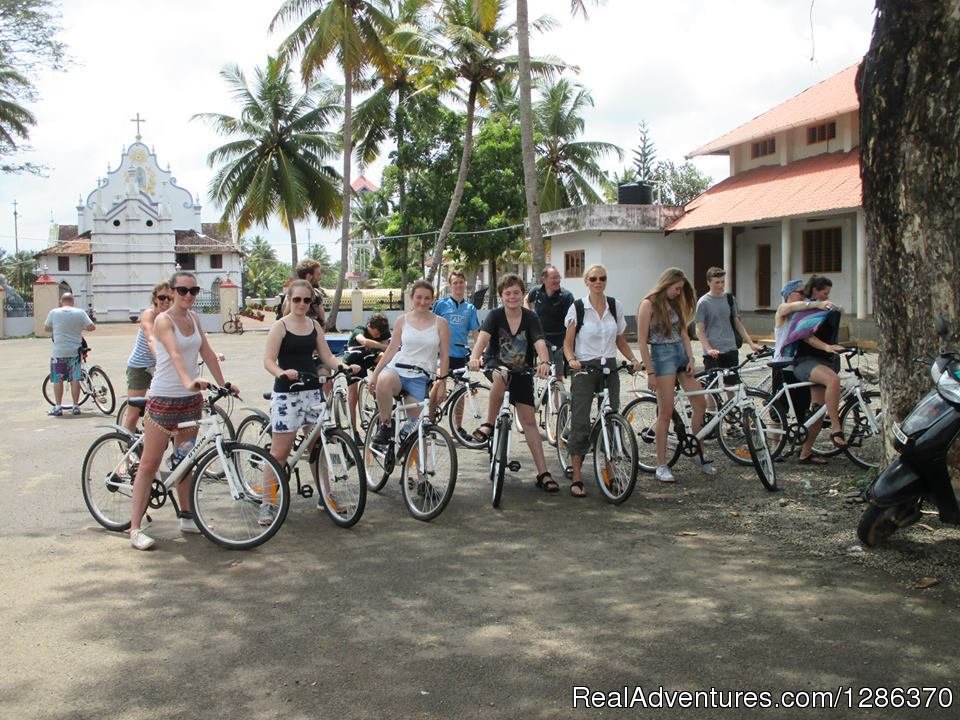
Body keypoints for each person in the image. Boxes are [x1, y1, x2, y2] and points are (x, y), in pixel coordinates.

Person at [128, 271, 233, 551]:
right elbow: (174, 353)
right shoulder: (164, 320)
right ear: (172, 292)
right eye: (183, 290)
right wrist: (188, 381)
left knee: (184, 459)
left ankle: (187, 515)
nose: (189, 295)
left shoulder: (195, 318)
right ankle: (135, 527)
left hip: (190, 402)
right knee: (150, 463)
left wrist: (224, 385)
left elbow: (207, 353)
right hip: (164, 398)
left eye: (194, 290)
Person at [263, 279, 357, 521]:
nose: (302, 304)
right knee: (279, 453)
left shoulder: (314, 326)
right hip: (287, 394)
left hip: (312, 392)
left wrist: (344, 366)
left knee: (319, 447)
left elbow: (326, 356)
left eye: (307, 300)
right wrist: (281, 373)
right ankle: (268, 502)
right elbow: (269, 361)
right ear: (288, 300)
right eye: (297, 299)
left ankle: (326, 495)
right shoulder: (280, 327)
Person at [468, 274, 556, 493]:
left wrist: (544, 361)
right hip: (495, 365)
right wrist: (474, 357)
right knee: (501, 374)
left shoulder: (530, 317)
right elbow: (482, 340)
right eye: (507, 293)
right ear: (501, 296)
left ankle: (543, 473)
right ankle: (489, 424)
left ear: (522, 294)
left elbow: (539, 342)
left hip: (522, 370)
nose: (512, 296)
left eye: (516, 292)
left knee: (529, 422)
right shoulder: (495, 315)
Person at [562, 265, 642, 497]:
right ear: (586, 281)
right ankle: (577, 476)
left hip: (609, 367)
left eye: (602, 278)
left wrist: (633, 359)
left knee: (612, 419)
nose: (598, 282)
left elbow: (621, 340)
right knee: (581, 422)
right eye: (594, 278)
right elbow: (568, 343)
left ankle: (610, 470)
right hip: (585, 367)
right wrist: (571, 359)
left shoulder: (615, 306)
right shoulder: (577, 307)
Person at [636, 267, 714, 483]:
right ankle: (662, 464)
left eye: (681, 289)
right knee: (665, 412)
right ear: (666, 284)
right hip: (661, 357)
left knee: (700, 402)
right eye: (676, 289)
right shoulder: (648, 304)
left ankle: (698, 451)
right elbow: (642, 341)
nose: (679, 293)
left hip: (680, 353)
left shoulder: (676, 303)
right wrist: (649, 371)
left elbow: (684, 334)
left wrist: (691, 358)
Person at [369, 281, 450, 446]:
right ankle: (385, 426)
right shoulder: (402, 320)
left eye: (427, 298)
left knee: (417, 434)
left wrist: (442, 382)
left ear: (432, 300)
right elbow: (391, 350)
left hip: (421, 377)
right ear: (412, 298)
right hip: (397, 371)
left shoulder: (440, 323)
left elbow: (445, 355)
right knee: (383, 381)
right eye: (418, 297)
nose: (422, 301)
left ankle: (422, 471)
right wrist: (375, 375)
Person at [771, 279, 843, 464]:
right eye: (800, 292)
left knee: (804, 409)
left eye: (804, 292)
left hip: (796, 365)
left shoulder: (801, 313)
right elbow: (795, 306)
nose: (803, 296)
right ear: (789, 294)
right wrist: (817, 303)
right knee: (778, 410)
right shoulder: (784, 309)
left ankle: (804, 450)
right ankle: (773, 448)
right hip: (782, 365)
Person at [429, 270, 480, 425]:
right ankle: (429, 421)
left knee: (460, 393)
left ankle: (458, 427)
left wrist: (479, 355)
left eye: (461, 282)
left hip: (460, 355)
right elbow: (430, 325)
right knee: (438, 386)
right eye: (455, 283)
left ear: (465, 284)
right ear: (450, 285)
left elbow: (477, 333)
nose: (458, 285)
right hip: (441, 354)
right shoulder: (441, 305)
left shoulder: (470, 309)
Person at [121, 281, 172, 430]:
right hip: (140, 367)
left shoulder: (171, 317)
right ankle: (126, 445)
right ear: (155, 298)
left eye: (170, 298)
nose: (166, 301)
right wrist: (160, 357)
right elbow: (150, 338)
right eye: (162, 297)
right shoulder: (149, 314)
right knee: (133, 413)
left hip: (159, 367)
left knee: (170, 405)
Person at [694, 267, 762, 371]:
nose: (720, 285)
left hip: (731, 349)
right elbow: (699, 330)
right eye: (717, 282)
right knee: (714, 384)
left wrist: (751, 343)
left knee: (732, 385)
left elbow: (737, 323)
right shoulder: (703, 302)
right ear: (708, 282)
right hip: (713, 352)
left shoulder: (730, 299)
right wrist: (709, 349)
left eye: (722, 282)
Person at [43, 292, 95, 417]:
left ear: (61, 302)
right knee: (75, 379)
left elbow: (46, 328)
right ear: (73, 302)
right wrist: (79, 327)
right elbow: (92, 327)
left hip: (59, 352)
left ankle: (58, 407)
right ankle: (76, 406)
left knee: (58, 379)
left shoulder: (54, 312)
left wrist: (59, 328)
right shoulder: (80, 312)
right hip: (74, 352)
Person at [342, 313, 391, 439]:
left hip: (369, 358)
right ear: (369, 326)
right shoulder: (360, 330)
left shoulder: (382, 332)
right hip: (354, 359)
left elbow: (386, 350)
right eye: (376, 334)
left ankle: (380, 394)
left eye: (381, 334)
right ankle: (353, 430)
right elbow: (364, 341)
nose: (379, 336)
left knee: (383, 359)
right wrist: (382, 346)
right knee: (353, 394)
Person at [525, 265, 574, 381]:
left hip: (558, 340)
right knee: (528, 367)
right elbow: (526, 299)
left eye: (559, 277)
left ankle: (556, 396)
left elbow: (572, 322)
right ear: (544, 279)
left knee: (557, 374)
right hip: (539, 337)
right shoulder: (536, 291)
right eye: (554, 278)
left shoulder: (566, 296)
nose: (557, 280)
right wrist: (529, 314)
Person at [279, 259, 327, 325]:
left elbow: (284, 316)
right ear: (309, 276)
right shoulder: (316, 295)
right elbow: (322, 321)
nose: (320, 278)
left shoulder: (290, 293)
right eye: (318, 274)